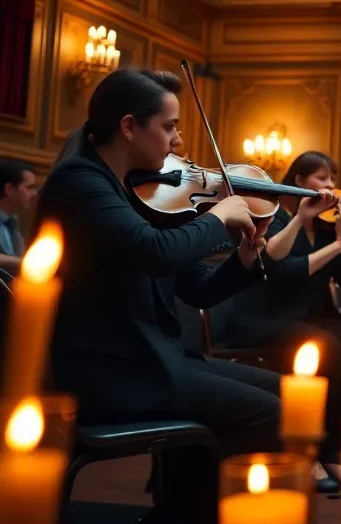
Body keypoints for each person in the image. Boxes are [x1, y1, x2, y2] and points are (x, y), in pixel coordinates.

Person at [37, 68, 278, 524]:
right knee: (265, 413)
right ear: (129, 126)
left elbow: (197, 288)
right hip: (110, 370)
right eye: (169, 126)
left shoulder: (142, 192)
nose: (177, 141)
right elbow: (153, 252)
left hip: (150, 357)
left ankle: (179, 511)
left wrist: (246, 255)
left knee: (278, 390)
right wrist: (218, 216)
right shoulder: (81, 183)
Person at [217, 150, 341, 492]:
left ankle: (330, 446)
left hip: (307, 318)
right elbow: (282, 271)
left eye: (333, 178)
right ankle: (307, 450)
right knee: (327, 346)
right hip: (263, 319)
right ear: (300, 181)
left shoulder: (324, 228)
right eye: (322, 178)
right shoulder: (273, 218)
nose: (331, 186)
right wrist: (338, 243)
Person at [0, 158, 37, 275]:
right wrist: (21, 262)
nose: (34, 193)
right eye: (29, 187)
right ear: (9, 189)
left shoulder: (13, 221)